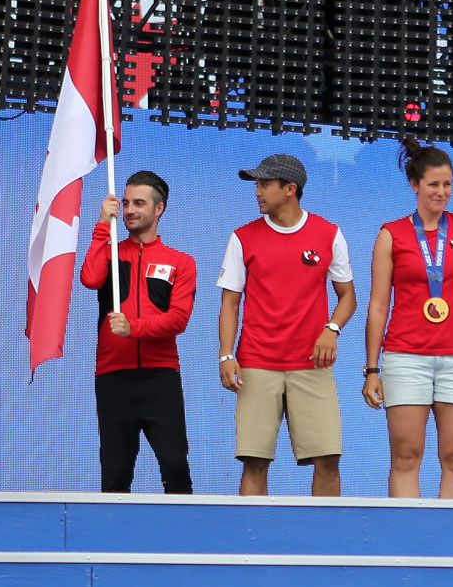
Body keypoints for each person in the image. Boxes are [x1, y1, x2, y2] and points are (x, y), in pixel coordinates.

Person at [362, 139, 453, 498]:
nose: (442, 192)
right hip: (405, 357)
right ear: (414, 185)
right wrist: (371, 369)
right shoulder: (390, 235)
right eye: (433, 184)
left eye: (448, 184)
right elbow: (378, 306)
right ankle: (406, 546)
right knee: (406, 456)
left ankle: (449, 546)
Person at [218, 154, 356, 496]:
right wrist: (225, 355)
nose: (257, 192)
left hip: (312, 365)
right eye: (257, 184)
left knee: (327, 459)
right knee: (254, 461)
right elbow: (230, 303)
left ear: (290, 189)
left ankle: (326, 544)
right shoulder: (242, 237)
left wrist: (332, 329)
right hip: (256, 364)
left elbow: (349, 297)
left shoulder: (329, 234)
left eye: (264, 184)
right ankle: (254, 544)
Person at [80, 170, 197, 494]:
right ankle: (113, 541)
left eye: (139, 203)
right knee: (116, 472)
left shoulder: (180, 262)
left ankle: (183, 539)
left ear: (159, 209)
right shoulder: (112, 253)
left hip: (161, 377)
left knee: (174, 464)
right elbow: (89, 278)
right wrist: (103, 224)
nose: (130, 210)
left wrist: (134, 328)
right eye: (126, 202)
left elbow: (178, 320)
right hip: (113, 376)